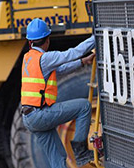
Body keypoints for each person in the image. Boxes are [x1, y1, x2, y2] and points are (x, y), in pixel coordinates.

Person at [21, 18, 96, 168]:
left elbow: (59, 70)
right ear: (47, 40)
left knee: (58, 159)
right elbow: (74, 52)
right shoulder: (45, 58)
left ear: (30, 42)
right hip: (39, 114)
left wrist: (83, 62)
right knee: (84, 107)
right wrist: (97, 37)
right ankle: (81, 153)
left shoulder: (29, 58)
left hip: (28, 118)